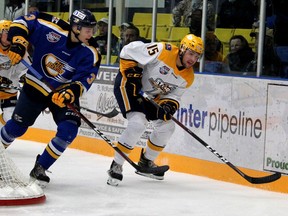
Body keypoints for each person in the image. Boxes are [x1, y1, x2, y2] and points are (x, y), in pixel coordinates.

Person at [0, 9, 101, 187]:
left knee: (68, 131)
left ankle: (41, 167)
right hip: (34, 86)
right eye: (87, 29)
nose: (91, 34)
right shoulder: (52, 28)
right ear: (76, 27)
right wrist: (19, 43)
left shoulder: (91, 51)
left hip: (61, 93)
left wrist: (71, 92)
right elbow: (22, 22)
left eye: (92, 30)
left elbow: (84, 79)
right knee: (16, 128)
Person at [107, 34, 204, 186]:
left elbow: (174, 96)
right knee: (138, 123)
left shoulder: (188, 77)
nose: (193, 59)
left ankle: (146, 162)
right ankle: (116, 165)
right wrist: (132, 72)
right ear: (183, 49)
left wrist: (168, 105)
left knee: (168, 126)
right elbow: (128, 50)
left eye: (197, 56)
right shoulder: (163, 50)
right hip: (130, 85)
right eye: (191, 53)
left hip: (150, 95)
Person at [0, 20, 29, 132]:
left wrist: (25, 76)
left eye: (11, 32)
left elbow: (26, 68)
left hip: (8, 92)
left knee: (11, 119)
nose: (9, 35)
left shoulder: (19, 50)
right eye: (6, 32)